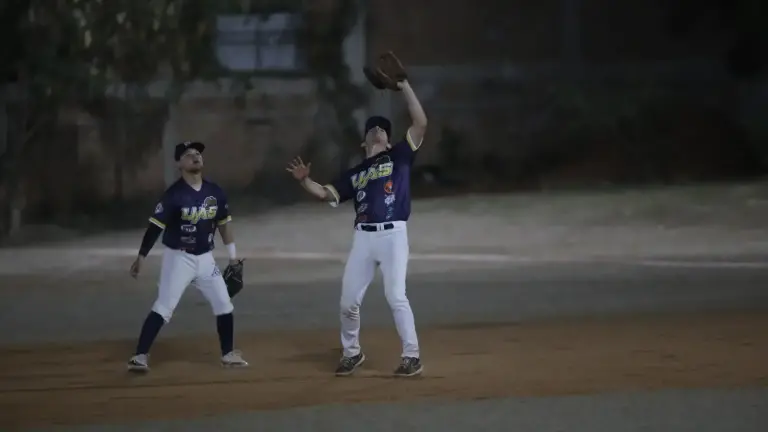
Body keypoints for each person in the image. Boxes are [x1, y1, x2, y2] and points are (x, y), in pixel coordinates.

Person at [286, 79, 427, 377]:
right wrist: (303, 181)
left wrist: (403, 85)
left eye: (383, 129)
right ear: (364, 142)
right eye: (372, 128)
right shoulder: (355, 173)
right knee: (348, 301)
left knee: (396, 295)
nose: (377, 130)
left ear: (388, 141)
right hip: (363, 238)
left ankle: (412, 356)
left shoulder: (399, 156)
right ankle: (352, 352)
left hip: (393, 235)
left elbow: (421, 121)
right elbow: (325, 193)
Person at [126, 141, 248, 372]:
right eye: (189, 154)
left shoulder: (215, 192)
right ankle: (139, 356)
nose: (195, 157)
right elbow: (155, 227)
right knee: (164, 307)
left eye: (198, 153)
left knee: (224, 303)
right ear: (179, 164)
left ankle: (228, 354)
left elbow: (224, 224)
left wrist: (233, 258)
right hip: (178, 259)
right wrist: (141, 256)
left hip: (206, 260)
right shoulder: (173, 195)